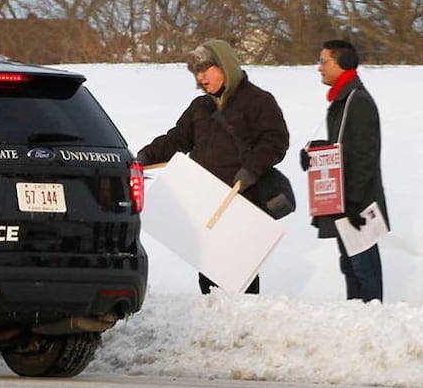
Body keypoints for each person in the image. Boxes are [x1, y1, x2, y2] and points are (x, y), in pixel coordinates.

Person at [135, 38, 290, 294]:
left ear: (225, 66)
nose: (201, 78)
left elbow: (276, 141)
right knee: (209, 276)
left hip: (241, 202)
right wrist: (144, 157)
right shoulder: (201, 107)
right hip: (206, 204)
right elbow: (177, 138)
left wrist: (250, 170)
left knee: (239, 276)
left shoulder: (258, 101)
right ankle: (215, 322)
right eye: (197, 72)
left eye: (206, 70)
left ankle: (243, 327)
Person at [299, 39, 387, 302]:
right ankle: (355, 319)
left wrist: (352, 202)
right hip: (346, 199)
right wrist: (315, 152)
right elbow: (343, 145)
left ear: (343, 64)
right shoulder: (343, 98)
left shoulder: (356, 101)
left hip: (356, 202)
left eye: (324, 61)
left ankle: (371, 320)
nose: (319, 68)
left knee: (363, 266)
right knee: (350, 265)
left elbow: (364, 156)